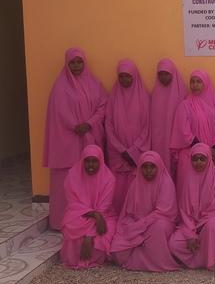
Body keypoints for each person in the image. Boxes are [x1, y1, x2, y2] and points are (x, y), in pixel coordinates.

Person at [43, 47, 107, 230]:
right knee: (66, 179)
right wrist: (75, 126)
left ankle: (87, 219)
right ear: (67, 64)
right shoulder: (60, 86)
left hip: (89, 135)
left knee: (89, 178)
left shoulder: (94, 83)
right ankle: (61, 221)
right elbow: (59, 111)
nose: (77, 66)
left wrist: (89, 123)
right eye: (73, 62)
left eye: (79, 62)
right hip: (68, 140)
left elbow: (103, 105)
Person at [110, 151, 180, 272]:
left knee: (159, 228)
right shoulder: (136, 183)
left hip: (160, 221)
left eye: (152, 167)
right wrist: (134, 225)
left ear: (158, 166)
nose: (148, 171)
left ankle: (150, 260)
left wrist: (142, 225)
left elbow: (163, 212)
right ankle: (142, 256)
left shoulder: (165, 182)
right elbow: (129, 212)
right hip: (138, 222)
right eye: (145, 167)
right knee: (118, 251)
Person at [169, 143, 215, 270]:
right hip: (193, 225)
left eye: (202, 159)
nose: (198, 162)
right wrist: (190, 233)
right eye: (195, 159)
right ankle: (204, 258)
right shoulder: (188, 178)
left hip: (212, 222)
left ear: (208, 159)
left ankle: (214, 259)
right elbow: (185, 212)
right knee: (174, 243)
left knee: (212, 226)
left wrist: (199, 225)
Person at [60, 145, 117, 270]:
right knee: (71, 226)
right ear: (82, 161)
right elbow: (74, 204)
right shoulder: (72, 176)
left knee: (103, 234)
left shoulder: (108, 179)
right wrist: (95, 215)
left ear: (100, 161)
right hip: (79, 214)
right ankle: (76, 258)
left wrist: (89, 236)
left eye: (94, 161)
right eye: (87, 161)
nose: (90, 165)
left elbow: (103, 209)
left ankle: (91, 258)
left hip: (104, 215)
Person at [105, 59, 150, 213]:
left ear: (134, 76)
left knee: (136, 184)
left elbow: (147, 127)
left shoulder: (144, 97)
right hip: (118, 153)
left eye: (128, 76)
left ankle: (135, 213)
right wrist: (121, 150)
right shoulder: (113, 97)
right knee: (118, 187)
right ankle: (118, 214)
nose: (125, 79)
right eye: (121, 76)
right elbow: (108, 125)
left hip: (136, 152)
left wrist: (133, 151)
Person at [171, 70, 215, 180]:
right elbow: (184, 132)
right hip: (191, 155)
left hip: (211, 155)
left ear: (206, 83)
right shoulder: (185, 105)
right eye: (192, 82)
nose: (195, 85)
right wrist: (202, 150)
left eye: (199, 82)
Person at [150, 58, 187, 176]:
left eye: (166, 74)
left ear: (173, 74)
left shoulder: (182, 92)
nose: (163, 77)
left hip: (176, 139)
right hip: (158, 140)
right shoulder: (154, 94)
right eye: (160, 74)